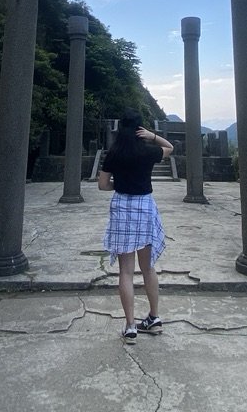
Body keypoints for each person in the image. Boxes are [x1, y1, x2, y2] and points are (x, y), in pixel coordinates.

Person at [98, 110, 173, 344]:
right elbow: (170, 148)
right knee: (148, 267)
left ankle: (131, 327)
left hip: (122, 207)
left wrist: (119, 185)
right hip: (145, 207)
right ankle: (154, 318)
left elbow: (102, 185)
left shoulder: (114, 153)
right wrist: (152, 136)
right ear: (139, 129)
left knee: (126, 271)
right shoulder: (147, 151)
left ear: (121, 129)